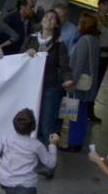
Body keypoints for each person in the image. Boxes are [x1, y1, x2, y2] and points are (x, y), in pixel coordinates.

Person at [24, 10, 74, 155]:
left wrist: (68, 79)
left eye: (53, 19)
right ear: (41, 21)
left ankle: (48, 162)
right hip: (31, 87)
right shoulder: (31, 39)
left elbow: (65, 66)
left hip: (50, 88)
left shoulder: (59, 45)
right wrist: (27, 53)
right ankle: (31, 156)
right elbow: (19, 57)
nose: (48, 19)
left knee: (47, 126)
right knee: (31, 123)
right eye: (46, 17)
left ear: (56, 25)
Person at [68, 13, 102, 152]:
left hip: (78, 85)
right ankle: (77, 141)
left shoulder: (83, 40)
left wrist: (71, 82)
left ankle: (71, 142)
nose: (77, 25)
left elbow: (79, 64)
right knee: (82, 114)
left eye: (80, 23)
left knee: (72, 114)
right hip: (89, 84)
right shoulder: (95, 40)